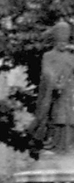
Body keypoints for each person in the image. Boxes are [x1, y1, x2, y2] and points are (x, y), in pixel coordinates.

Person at [32, 20, 74, 156]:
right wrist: (54, 84)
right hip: (54, 95)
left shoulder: (71, 57)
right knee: (57, 119)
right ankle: (53, 146)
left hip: (69, 94)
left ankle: (68, 147)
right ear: (55, 42)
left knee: (69, 120)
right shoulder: (48, 56)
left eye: (65, 42)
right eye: (60, 42)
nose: (63, 45)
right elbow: (46, 73)